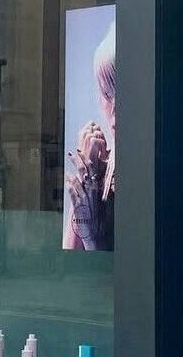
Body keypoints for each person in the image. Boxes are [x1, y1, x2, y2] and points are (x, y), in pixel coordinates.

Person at [63, 20, 115, 251]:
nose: (114, 111)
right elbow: (70, 257)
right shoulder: (102, 167)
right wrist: (88, 175)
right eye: (106, 94)